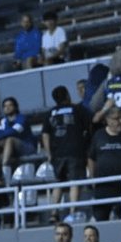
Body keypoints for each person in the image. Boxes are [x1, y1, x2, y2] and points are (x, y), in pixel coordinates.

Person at [41, 86, 91, 217]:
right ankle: (73, 212)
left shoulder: (50, 113)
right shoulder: (78, 109)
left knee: (59, 182)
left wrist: (49, 153)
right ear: (67, 95)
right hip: (76, 151)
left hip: (57, 153)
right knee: (75, 182)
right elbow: (89, 126)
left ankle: (53, 212)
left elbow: (45, 135)